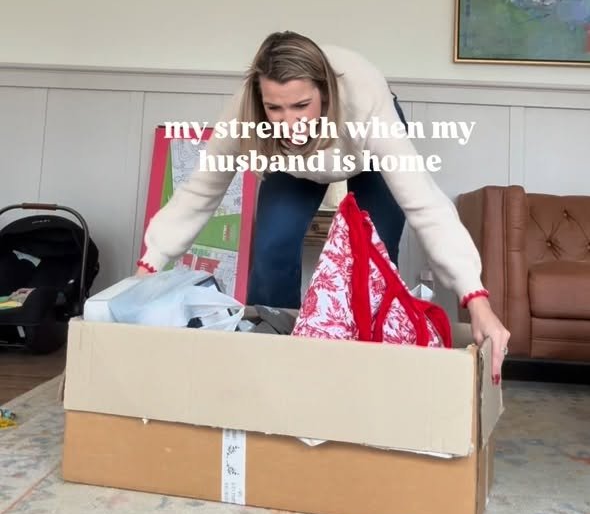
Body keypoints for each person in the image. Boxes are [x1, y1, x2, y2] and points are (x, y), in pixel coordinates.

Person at [136, 31, 510, 381]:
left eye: (301, 105)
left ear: (326, 95)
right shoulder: (244, 114)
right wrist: (147, 267)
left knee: (376, 257)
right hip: (294, 167)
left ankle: (369, 368)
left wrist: (475, 299)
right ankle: (272, 366)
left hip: (366, 157)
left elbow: (425, 203)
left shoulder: (367, 105)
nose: (290, 123)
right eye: (275, 108)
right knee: (271, 249)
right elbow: (200, 191)